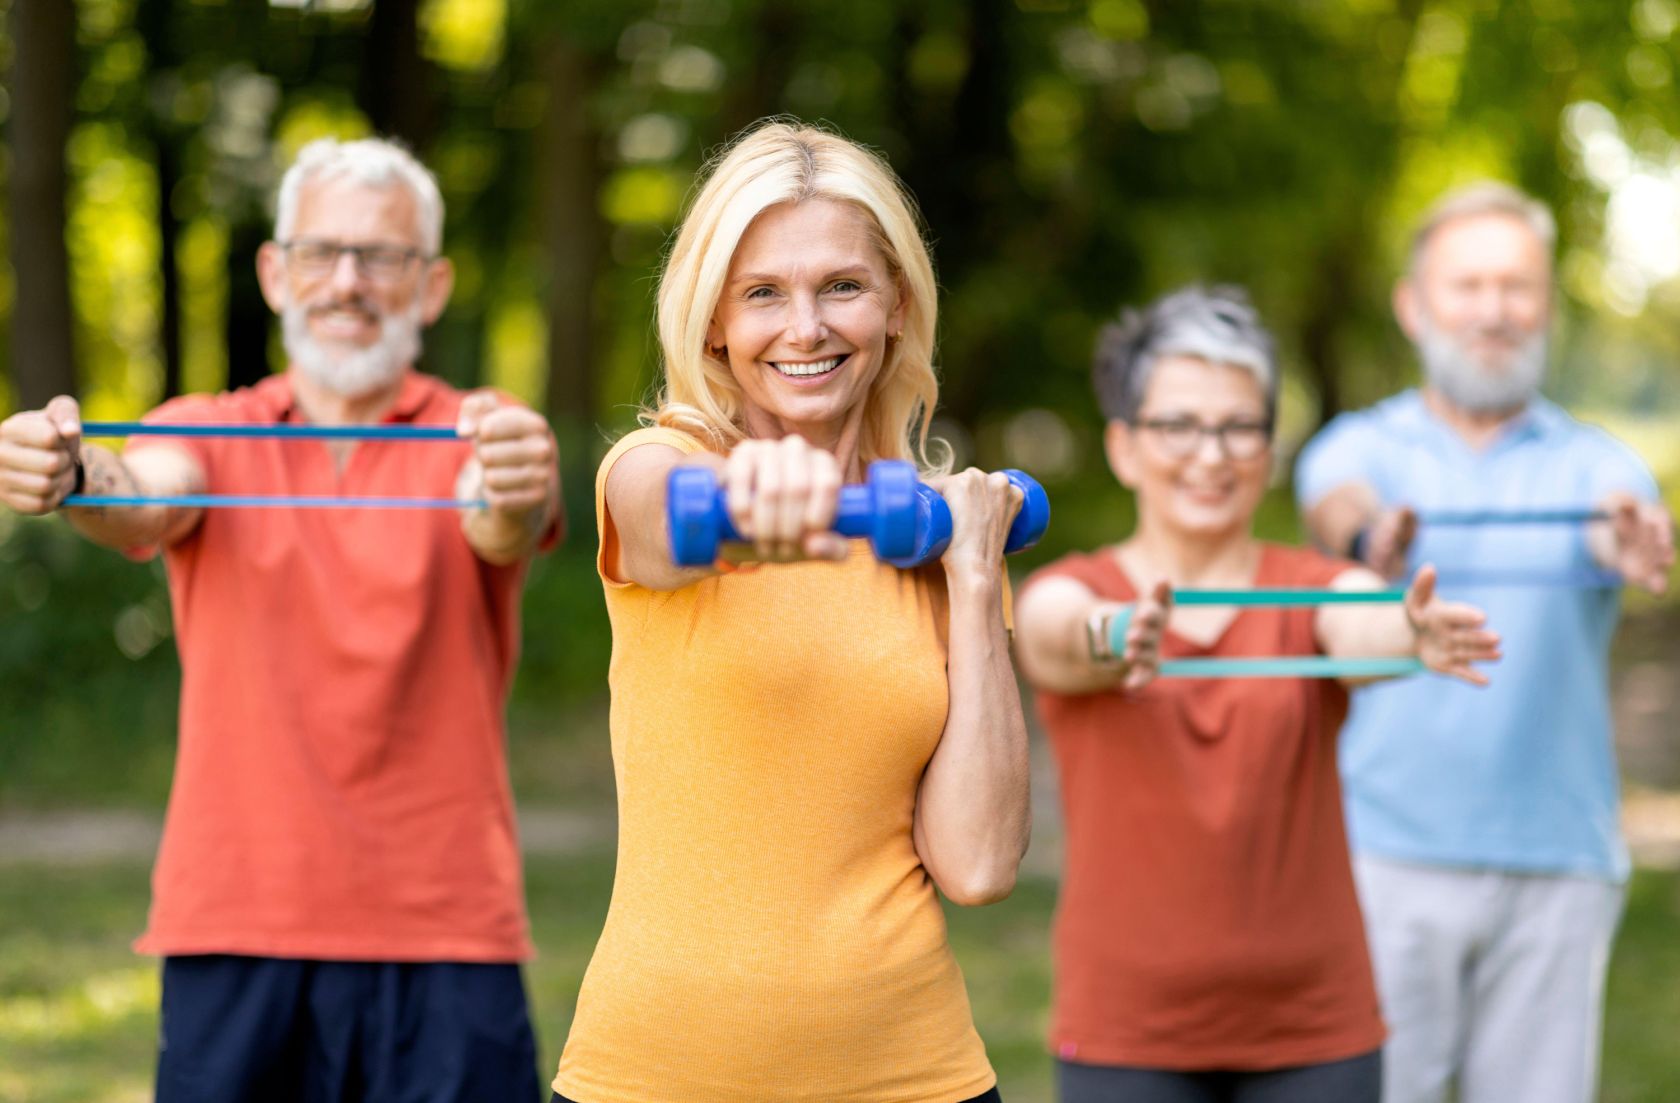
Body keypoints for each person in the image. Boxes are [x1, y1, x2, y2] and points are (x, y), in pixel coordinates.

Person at [0, 136, 561, 1102]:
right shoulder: (207, 428)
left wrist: (512, 481)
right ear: (273, 273)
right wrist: (70, 470)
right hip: (235, 924)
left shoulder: (481, 425)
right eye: (321, 252)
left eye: (380, 256)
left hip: (446, 929)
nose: (347, 282)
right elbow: (141, 494)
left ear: (431, 286)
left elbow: (502, 514)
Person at [549, 120, 1028, 1103]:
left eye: (842, 286)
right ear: (713, 322)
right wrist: (745, 503)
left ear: (895, 304)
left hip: (914, 1077)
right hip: (652, 1078)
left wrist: (977, 581)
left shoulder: (940, 533)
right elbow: (659, 520)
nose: (805, 328)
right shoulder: (658, 468)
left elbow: (978, 863)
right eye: (763, 292)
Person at [1015, 286, 1504, 1103]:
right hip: (1126, 1031)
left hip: (1316, 1032)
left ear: (1269, 448)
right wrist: (1119, 633)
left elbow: (1358, 623)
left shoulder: (1311, 586)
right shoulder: (1074, 588)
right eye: (1179, 425)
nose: (1212, 455)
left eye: (1239, 427)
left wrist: (1405, 630)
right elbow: (1055, 632)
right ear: (1124, 446)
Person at [1295, 182, 1675, 1103]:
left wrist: (1626, 537)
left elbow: (1613, 520)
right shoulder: (1359, 445)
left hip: (1559, 864)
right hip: (1381, 858)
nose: (1494, 309)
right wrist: (1372, 536)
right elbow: (1336, 504)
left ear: (1546, 305)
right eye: (1467, 285)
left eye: (1517, 286)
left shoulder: (1598, 461)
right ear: (1413, 305)